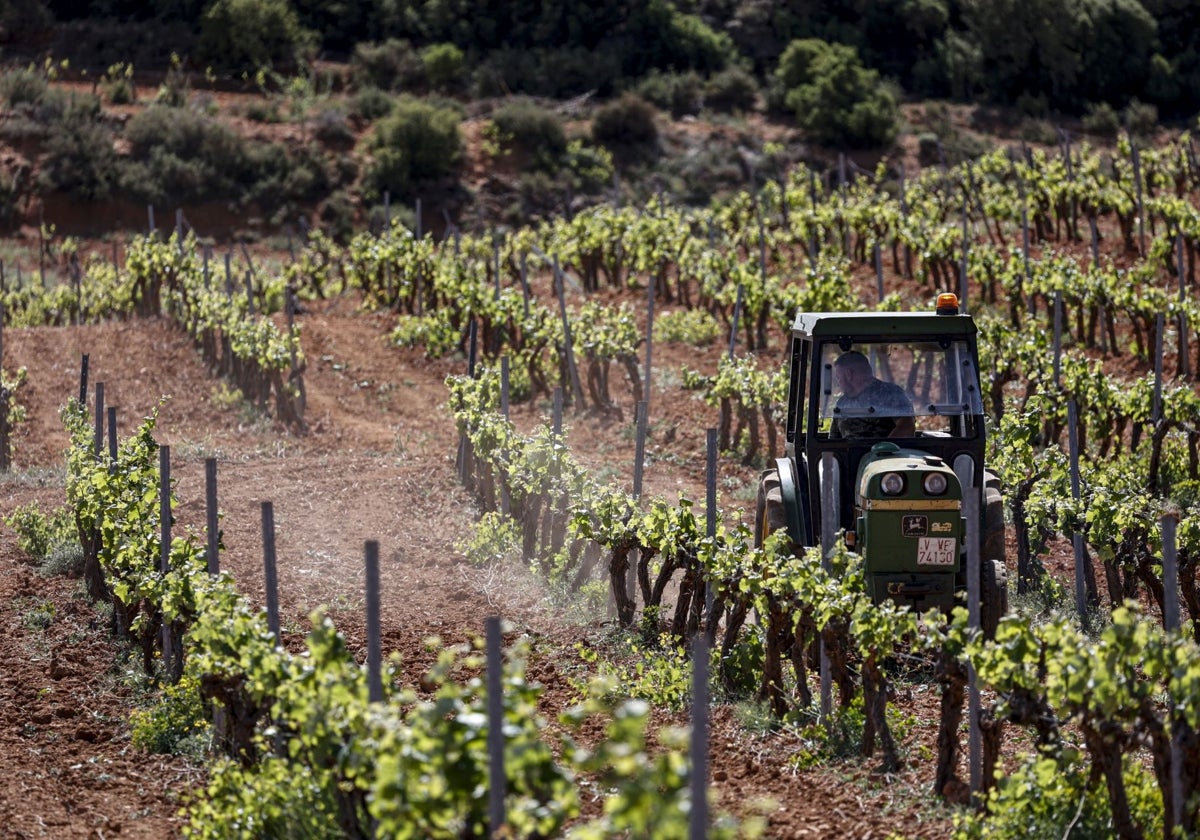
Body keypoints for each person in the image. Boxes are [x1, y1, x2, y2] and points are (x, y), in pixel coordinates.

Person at [829, 351, 915, 439]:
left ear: (848, 374)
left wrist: (882, 450)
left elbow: (906, 427)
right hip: (847, 452)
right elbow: (833, 441)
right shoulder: (842, 403)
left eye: (839, 378)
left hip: (883, 452)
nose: (839, 383)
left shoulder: (890, 393)